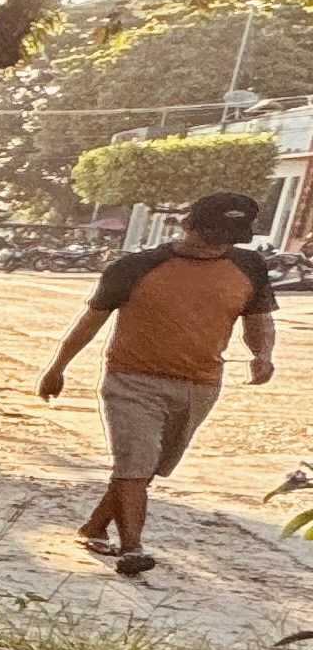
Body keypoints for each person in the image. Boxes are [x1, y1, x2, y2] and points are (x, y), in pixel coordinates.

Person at [38, 191, 277, 575]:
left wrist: (262, 354)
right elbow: (90, 322)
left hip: (201, 384)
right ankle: (132, 547)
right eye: (211, 234)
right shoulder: (135, 267)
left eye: (228, 238)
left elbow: (258, 317)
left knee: (147, 467)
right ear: (187, 225)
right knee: (135, 459)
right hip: (131, 380)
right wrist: (57, 367)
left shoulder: (249, 267)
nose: (218, 245)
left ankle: (95, 526)